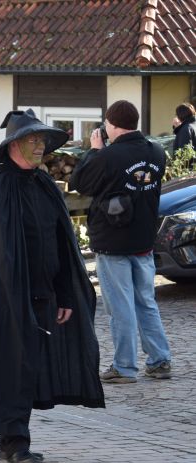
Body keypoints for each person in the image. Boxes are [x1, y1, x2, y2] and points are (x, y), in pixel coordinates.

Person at [0, 109, 104, 463]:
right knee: (12, 364)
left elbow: (61, 242)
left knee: (27, 366)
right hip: (6, 298)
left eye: (42, 139)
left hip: (44, 292)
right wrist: (12, 295)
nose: (40, 145)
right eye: (32, 139)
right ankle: (17, 445)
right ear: (14, 145)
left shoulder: (44, 184)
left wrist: (65, 293)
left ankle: (11, 439)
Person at [69, 100, 172, 383]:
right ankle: (160, 360)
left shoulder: (108, 156)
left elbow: (79, 182)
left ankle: (124, 367)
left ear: (112, 125)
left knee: (120, 306)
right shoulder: (156, 151)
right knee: (146, 302)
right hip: (144, 239)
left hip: (112, 241)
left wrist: (94, 151)